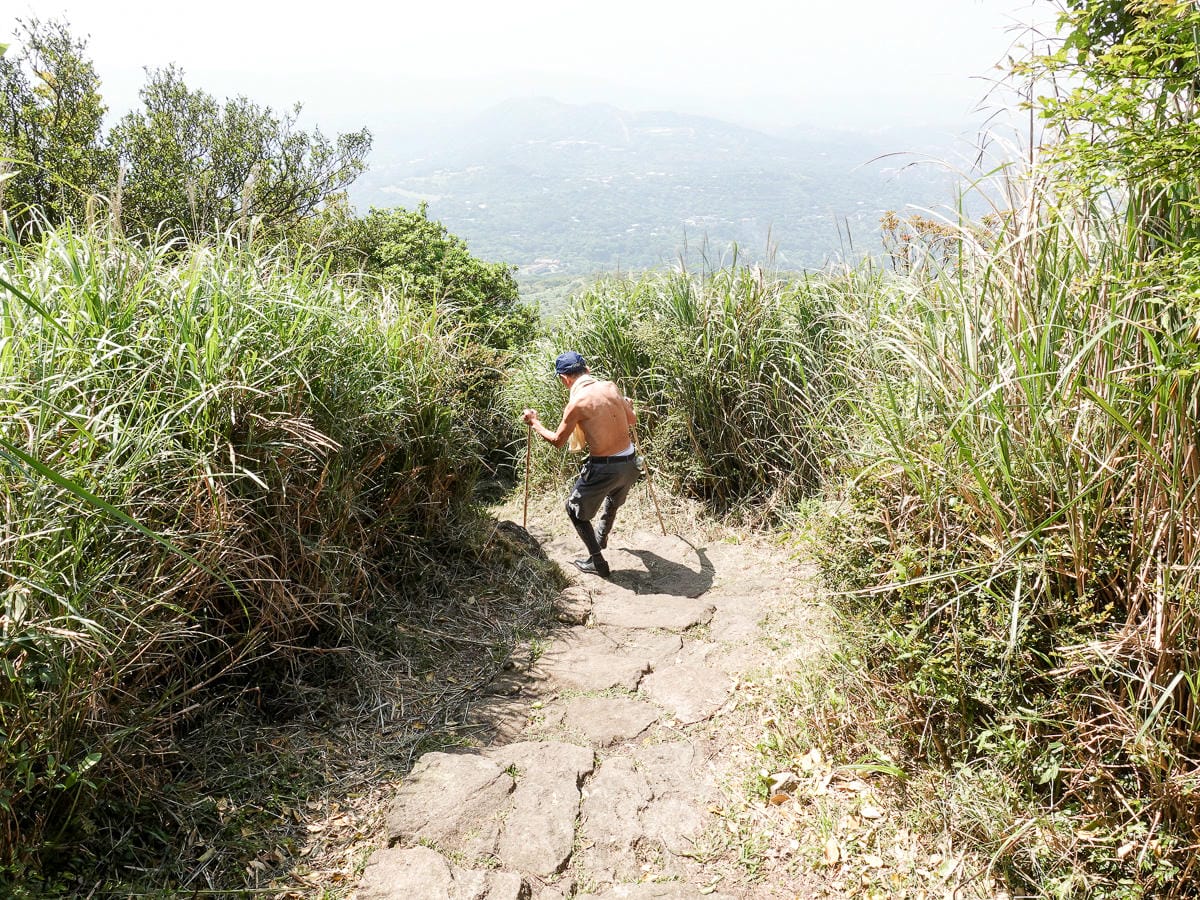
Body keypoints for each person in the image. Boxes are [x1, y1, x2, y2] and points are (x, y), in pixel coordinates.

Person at [522, 351, 639, 577]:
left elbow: (557, 441)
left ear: (564, 379)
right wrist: (627, 406)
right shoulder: (611, 387)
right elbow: (632, 419)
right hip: (631, 463)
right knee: (613, 499)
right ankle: (600, 540)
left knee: (574, 510)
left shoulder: (577, 403)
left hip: (605, 467)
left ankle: (597, 562)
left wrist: (534, 422)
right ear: (587, 370)